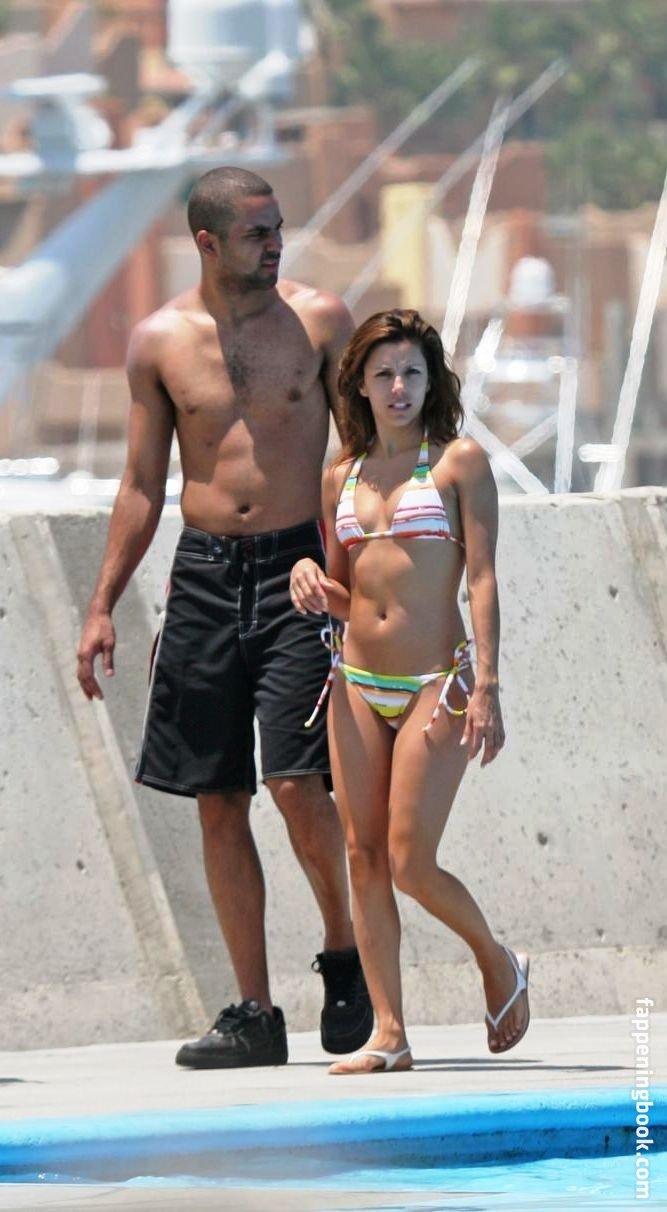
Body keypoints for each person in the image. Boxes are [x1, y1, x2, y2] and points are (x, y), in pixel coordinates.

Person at [76, 166, 373, 1069]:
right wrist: (102, 604)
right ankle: (253, 1013)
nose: (275, 243)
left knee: (296, 782)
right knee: (217, 796)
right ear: (207, 243)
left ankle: (345, 955)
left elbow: (360, 460)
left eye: (277, 227)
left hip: (298, 572)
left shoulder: (320, 321)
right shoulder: (158, 342)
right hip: (204, 575)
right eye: (256, 232)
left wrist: (355, 577)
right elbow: (141, 485)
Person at [289, 308, 529, 1074]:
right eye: (384, 374)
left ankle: (494, 957)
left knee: (408, 862)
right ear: (359, 384)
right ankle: (389, 1034)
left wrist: (486, 683)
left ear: (431, 382)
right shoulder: (341, 476)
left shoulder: (457, 463)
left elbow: (482, 578)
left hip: (437, 682)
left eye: (412, 374)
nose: (398, 387)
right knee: (361, 855)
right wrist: (308, 578)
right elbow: (346, 592)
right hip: (355, 682)